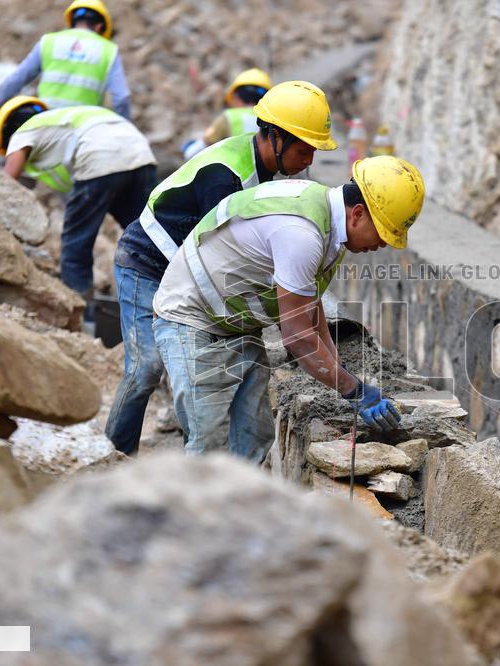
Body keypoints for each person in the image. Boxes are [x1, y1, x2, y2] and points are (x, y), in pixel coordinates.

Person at [105, 80, 336, 456]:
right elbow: (221, 262)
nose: (308, 160)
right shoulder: (226, 178)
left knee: (220, 374)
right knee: (146, 366)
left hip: (189, 275)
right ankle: (114, 454)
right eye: (303, 149)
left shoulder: (263, 171)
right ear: (275, 136)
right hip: (147, 263)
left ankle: (215, 462)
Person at [151, 155, 425, 460]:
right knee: (208, 439)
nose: (384, 244)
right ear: (358, 213)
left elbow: (310, 307)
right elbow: (297, 337)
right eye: (383, 233)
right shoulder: (303, 234)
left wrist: (337, 369)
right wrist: (354, 390)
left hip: (234, 319)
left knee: (254, 435)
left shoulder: (327, 223)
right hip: (191, 317)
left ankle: (243, 492)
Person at [0, 95, 156, 325]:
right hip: (141, 154)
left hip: (100, 159)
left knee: (75, 247)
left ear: (7, 131)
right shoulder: (62, 120)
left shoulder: (23, 132)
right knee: (150, 239)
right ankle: (162, 312)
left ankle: (82, 322)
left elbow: (4, 182)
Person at [0, 0, 131, 139]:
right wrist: (123, 132)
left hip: (45, 125)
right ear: (100, 27)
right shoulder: (109, 51)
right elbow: (121, 97)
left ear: (72, 21)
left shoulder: (49, 42)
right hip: (82, 131)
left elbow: (15, 80)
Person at [181, 67, 272, 160]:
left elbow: (192, 153)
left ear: (236, 97)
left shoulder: (229, 118)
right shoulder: (271, 119)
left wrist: (188, 148)